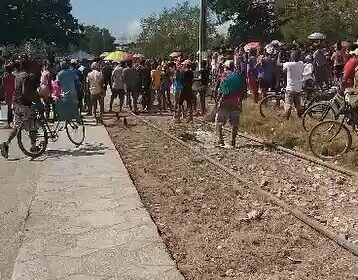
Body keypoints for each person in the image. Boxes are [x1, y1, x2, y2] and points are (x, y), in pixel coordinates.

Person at [0, 58, 40, 159]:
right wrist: (36, 100)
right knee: (33, 124)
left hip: (16, 103)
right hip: (24, 104)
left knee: (18, 126)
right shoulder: (26, 76)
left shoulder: (16, 76)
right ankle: (34, 147)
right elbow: (25, 92)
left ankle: (6, 143)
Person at [215, 60, 244, 147]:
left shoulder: (224, 75)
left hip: (225, 101)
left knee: (219, 122)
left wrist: (218, 100)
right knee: (235, 123)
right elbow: (242, 90)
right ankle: (233, 141)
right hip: (236, 102)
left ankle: (221, 140)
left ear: (226, 67)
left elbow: (221, 88)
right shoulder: (237, 75)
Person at [282, 50, 305, 120]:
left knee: (288, 105)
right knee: (298, 105)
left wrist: (279, 55)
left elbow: (278, 64)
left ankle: (286, 119)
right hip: (298, 88)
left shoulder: (288, 64)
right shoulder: (301, 64)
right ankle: (300, 118)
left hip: (290, 88)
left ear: (292, 57)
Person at [2, 64, 15, 128]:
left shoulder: (4, 77)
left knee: (9, 108)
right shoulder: (13, 76)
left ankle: (9, 123)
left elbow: (3, 86)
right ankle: (12, 121)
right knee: (12, 108)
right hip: (13, 93)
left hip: (7, 94)